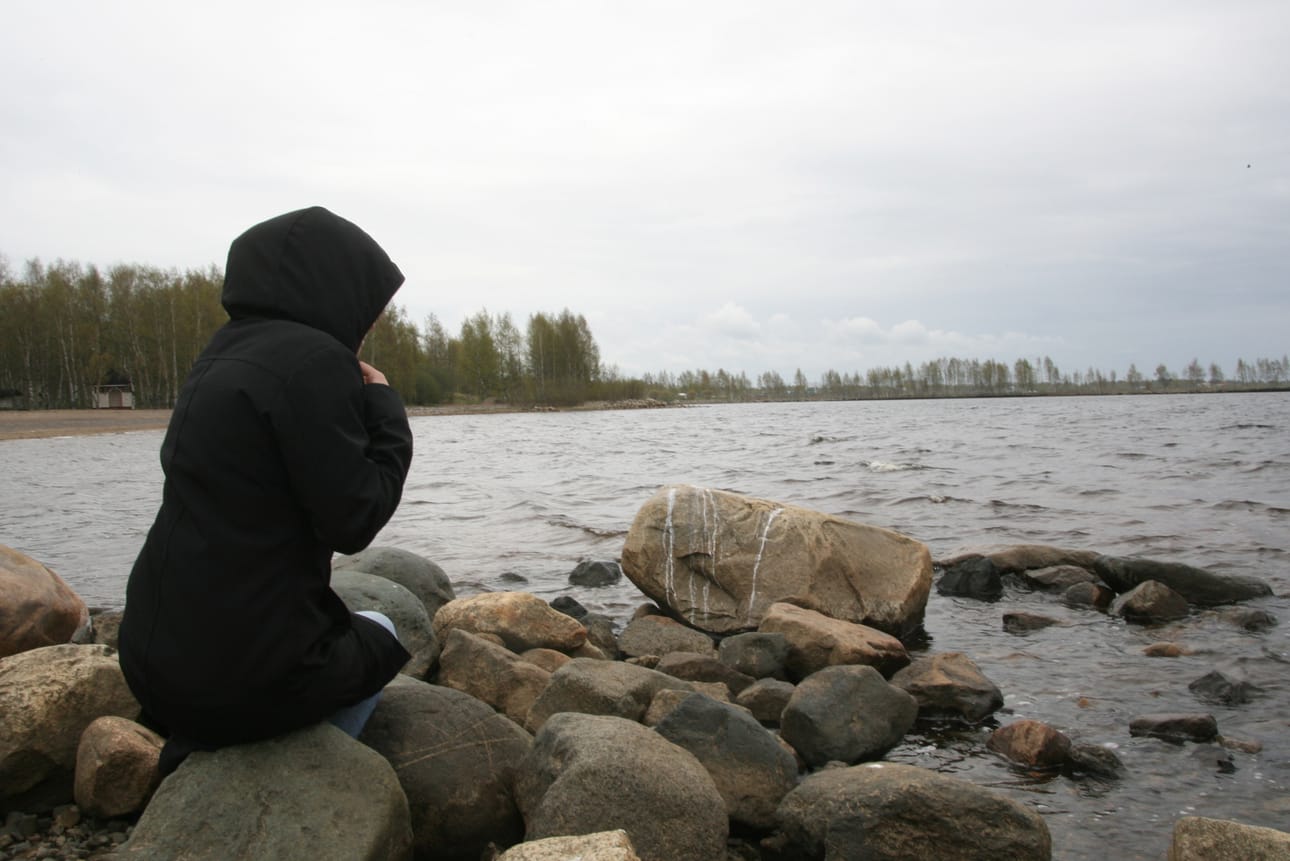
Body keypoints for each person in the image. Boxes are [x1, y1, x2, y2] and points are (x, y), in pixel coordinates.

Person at [118, 206, 414, 773]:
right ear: (335, 284)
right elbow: (357, 520)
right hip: (246, 679)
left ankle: (205, 742)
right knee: (382, 629)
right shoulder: (317, 361)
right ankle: (291, 772)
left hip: (151, 662)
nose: (370, 320)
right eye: (370, 303)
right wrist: (384, 406)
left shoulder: (221, 352)